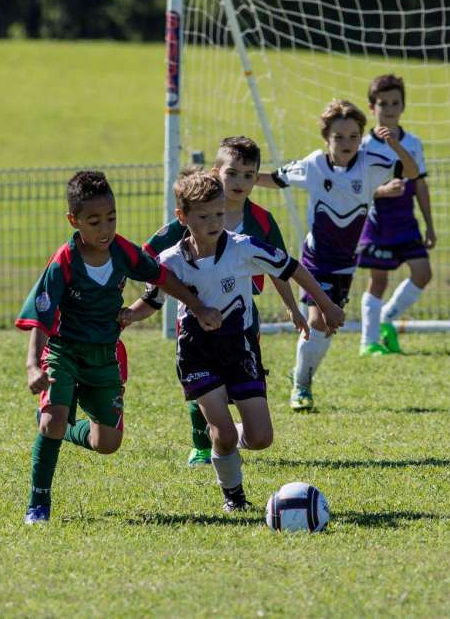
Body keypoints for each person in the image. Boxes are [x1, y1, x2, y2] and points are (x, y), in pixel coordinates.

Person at [122, 171, 343, 511]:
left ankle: (222, 434)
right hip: (196, 353)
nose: (213, 222)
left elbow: (291, 267)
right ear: (182, 217)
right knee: (224, 435)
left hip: (240, 350)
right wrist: (125, 317)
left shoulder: (242, 248)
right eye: (203, 216)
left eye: (219, 214)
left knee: (260, 438)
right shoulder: (170, 261)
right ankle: (233, 496)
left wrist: (325, 305)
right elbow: (151, 302)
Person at [15, 170, 221, 524]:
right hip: (64, 352)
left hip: (104, 356)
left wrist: (198, 306)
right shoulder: (64, 260)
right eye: (93, 221)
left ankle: (63, 426)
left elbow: (160, 276)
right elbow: (42, 314)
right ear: (74, 220)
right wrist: (34, 365)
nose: (104, 228)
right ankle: (39, 504)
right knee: (51, 423)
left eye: (111, 218)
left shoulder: (122, 251)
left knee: (107, 443)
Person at [137, 136, 307, 467]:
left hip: (242, 310)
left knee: (239, 374)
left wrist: (292, 306)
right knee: (199, 372)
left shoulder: (261, 221)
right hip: (195, 312)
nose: (240, 182)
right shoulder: (192, 215)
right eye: (233, 173)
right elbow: (147, 255)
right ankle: (202, 442)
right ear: (217, 174)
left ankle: (229, 433)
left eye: (249, 175)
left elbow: (279, 268)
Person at [256, 99, 419, 410]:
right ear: (326, 138)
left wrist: (395, 145)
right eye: (338, 137)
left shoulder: (371, 164)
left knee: (329, 326)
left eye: (353, 136)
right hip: (316, 259)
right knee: (318, 320)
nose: (346, 143)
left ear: (361, 136)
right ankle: (301, 386)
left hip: (346, 262)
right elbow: (275, 179)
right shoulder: (314, 164)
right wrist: (239, 178)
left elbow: (410, 171)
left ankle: (301, 376)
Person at [357, 74, 435, 355]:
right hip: (378, 222)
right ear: (371, 107)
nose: (389, 108)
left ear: (403, 107)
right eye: (382, 103)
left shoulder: (413, 142)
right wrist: (380, 191)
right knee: (378, 281)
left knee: (423, 273)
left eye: (395, 103)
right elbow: (355, 188)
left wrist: (429, 224)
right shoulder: (362, 146)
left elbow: (420, 184)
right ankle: (369, 342)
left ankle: (386, 318)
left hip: (406, 222)